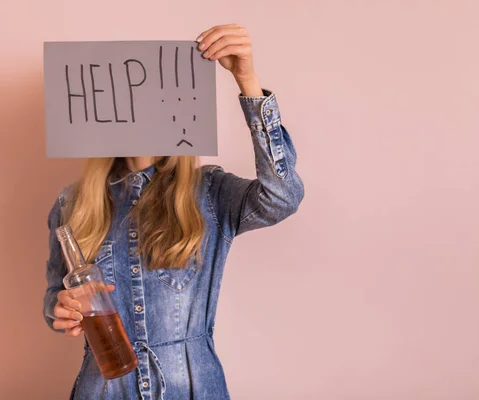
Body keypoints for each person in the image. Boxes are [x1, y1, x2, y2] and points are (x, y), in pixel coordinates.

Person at [43, 24, 304, 400]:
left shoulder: (210, 193)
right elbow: (54, 298)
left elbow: (282, 197)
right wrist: (60, 309)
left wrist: (247, 80)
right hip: (102, 389)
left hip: (192, 389)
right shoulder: (72, 203)